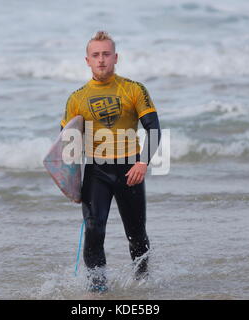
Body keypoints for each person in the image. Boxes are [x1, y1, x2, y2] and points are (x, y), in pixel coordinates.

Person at [60, 31, 161, 293]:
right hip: (96, 172)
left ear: (116, 57)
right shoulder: (76, 98)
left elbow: (153, 129)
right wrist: (71, 185)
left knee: (136, 234)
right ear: (87, 60)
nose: (101, 60)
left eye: (106, 54)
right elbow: (68, 145)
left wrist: (143, 163)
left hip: (130, 170)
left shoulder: (134, 89)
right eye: (96, 55)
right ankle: (98, 289)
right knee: (94, 231)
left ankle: (143, 284)